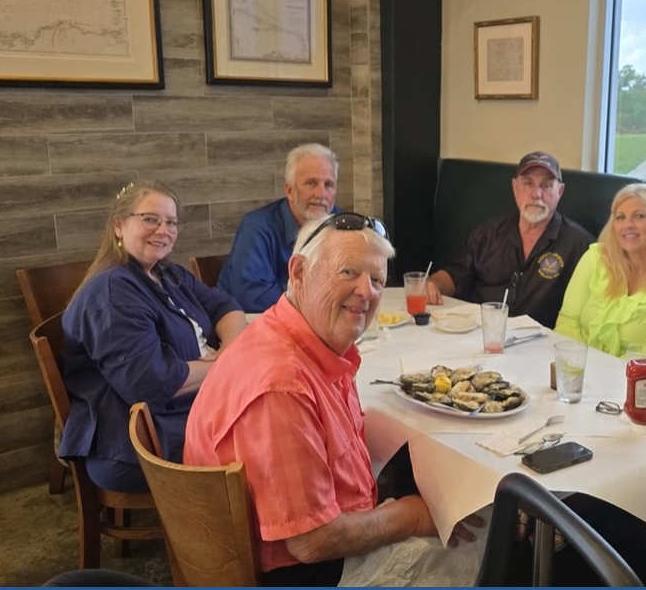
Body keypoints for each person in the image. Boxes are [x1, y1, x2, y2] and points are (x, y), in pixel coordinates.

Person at [185, 213, 483, 587]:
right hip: (298, 574)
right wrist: (414, 515)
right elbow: (312, 542)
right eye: (348, 272)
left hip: (294, 549)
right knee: (486, 540)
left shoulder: (285, 336)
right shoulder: (283, 385)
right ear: (298, 272)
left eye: (376, 279)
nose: (367, 292)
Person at [60, 180, 246, 493]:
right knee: (270, 441)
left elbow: (226, 307)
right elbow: (151, 382)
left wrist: (231, 348)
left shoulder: (166, 273)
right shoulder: (112, 292)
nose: (164, 229)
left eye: (172, 222)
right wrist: (227, 365)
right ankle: (245, 537)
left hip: (191, 406)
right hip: (137, 442)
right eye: (150, 219)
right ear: (119, 225)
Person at [425, 151, 594, 328]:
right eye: (528, 183)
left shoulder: (580, 245)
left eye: (546, 185)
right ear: (515, 187)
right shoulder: (487, 234)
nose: (536, 194)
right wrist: (433, 285)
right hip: (479, 334)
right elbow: (454, 275)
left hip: (538, 345)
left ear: (560, 191)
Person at [554, 183, 646, 357]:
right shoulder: (594, 257)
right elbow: (567, 321)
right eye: (620, 217)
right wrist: (583, 364)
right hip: (576, 367)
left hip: (632, 378)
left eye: (639, 216)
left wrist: (599, 370)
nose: (628, 225)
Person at [218, 143, 341, 313]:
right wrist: (318, 291)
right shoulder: (256, 227)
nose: (321, 195)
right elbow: (252, 297)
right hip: (252, 327)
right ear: (290, 190)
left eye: (328, 185)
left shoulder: (339, 222)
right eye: (311, 183)